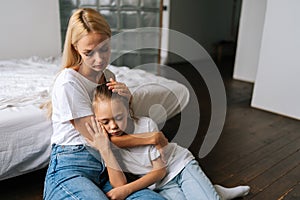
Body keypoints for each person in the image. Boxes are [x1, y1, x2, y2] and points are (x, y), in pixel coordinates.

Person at [43, 8, 168, 200]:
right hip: (73, 166)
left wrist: (127, 101)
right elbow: (101, 139)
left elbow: (117, 127)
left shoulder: (108, 77)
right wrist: (152, 138)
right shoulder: (69, 82)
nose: (99, 59)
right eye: (89, 52)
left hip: (111, 166)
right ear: (75, 47)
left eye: (104, 48)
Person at [85, 84, 251, 200]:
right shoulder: (104, 142)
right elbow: (118, 183)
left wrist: (126, 190)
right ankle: (214, 191)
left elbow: (160, 171)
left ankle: (211, 192)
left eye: (118, 117)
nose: (113, 126)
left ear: (127, 110)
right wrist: (105, 149)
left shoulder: (145, 125)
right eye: (105, 121)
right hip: (161, 185)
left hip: (179, 167)